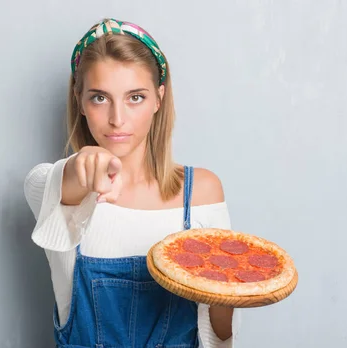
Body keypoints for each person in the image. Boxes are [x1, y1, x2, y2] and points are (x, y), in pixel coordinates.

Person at [24, 18, 239, 348]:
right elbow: (60, 185)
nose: (117, 118)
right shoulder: (52, 187)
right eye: (99, 98)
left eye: (135, 97)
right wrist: (83, 168)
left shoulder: (202, 193)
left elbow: (219, 337)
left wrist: (230, 289)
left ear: (158, 99)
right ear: (79, 99)